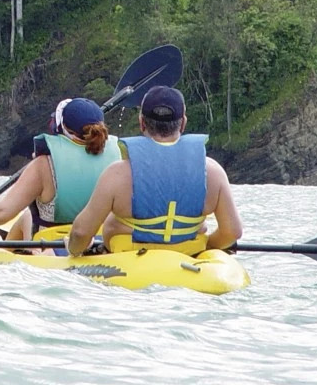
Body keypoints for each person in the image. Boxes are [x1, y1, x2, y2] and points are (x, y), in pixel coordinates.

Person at [66, 86, 243, 257]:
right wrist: (208, 246)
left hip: (127, 261)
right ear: (183, 124)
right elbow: (233, 232)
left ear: (142, 123)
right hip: (190, 257)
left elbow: (81, 233)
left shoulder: (117, 174)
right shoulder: (212, 171)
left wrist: (74, 250)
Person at [0, 97, 122, 243]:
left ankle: (3, 249)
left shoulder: (43, 164)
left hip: (51, 245)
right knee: (26, 216)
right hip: (102, 239)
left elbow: (2, 213)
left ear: (62, 127)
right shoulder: (121, 156)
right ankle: (7, 247)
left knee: (26, 216)